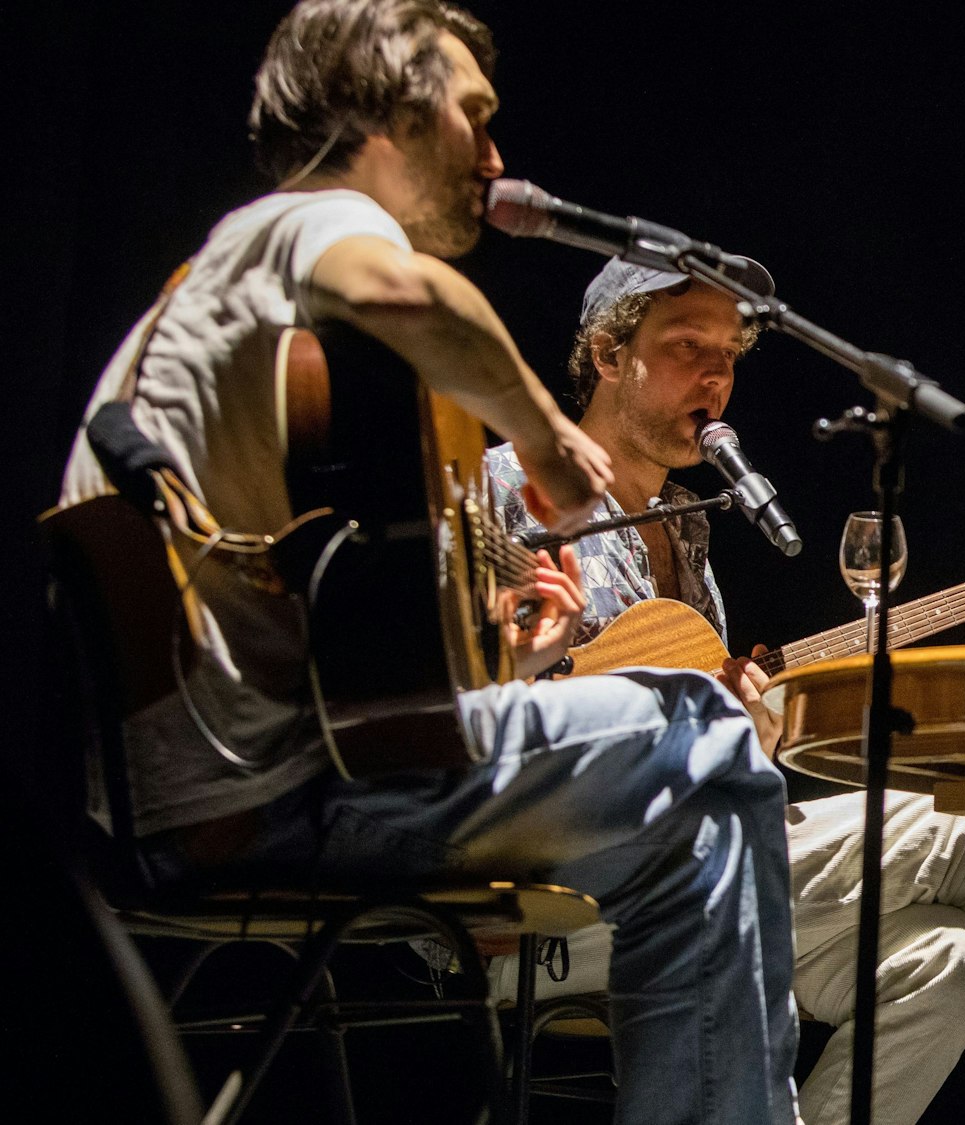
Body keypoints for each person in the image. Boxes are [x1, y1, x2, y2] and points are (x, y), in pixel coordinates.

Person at [54, 3, 796, 1121]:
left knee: (689, 835)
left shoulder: (213, 294)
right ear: (389, 111)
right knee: (703, 732)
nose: (494, 159)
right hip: (280, 797)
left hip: (214, 802)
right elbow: (404, 292)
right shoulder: (296, 227)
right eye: (474, 117)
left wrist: (500, 650)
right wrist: (547, 442)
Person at [483, 257, 965, 1125]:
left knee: (955, 960)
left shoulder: (685, 531)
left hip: (697, 869)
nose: (716, 378)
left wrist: (748, 732)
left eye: (728, 356)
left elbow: (708, 752)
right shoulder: (507, 486)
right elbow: (461, 702)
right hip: (550, 886)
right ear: (608, 354)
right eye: (687, 349)